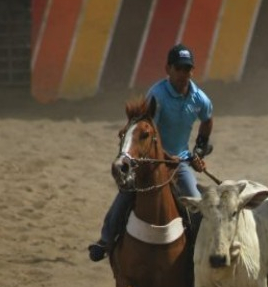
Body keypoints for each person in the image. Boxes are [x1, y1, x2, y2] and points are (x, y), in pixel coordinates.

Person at [88, 43, 214, 262]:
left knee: (195, 201)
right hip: (153, 160)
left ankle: (198, 251)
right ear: (168, 69)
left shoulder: (199, 98)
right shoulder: (157, 95)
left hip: (180, 163)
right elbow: (147, 132)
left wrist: (199, 150)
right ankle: (106, 240)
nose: (183, 74)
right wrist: (164, 157)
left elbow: (207, 119)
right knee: (126, 194)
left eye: (188, 69)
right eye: (179, 68)